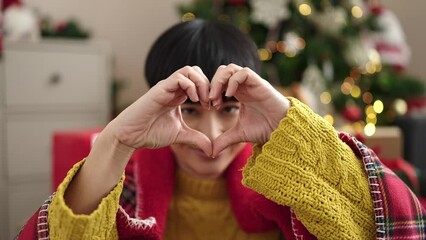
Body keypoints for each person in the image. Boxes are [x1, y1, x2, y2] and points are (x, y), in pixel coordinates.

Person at [17, 19, 426, 240]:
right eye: (189, 111)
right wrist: (117, 140)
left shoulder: (289, 183)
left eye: (229, 109)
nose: (210, 135)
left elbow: (393, 224)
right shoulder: (126, 191)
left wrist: (289, 124)